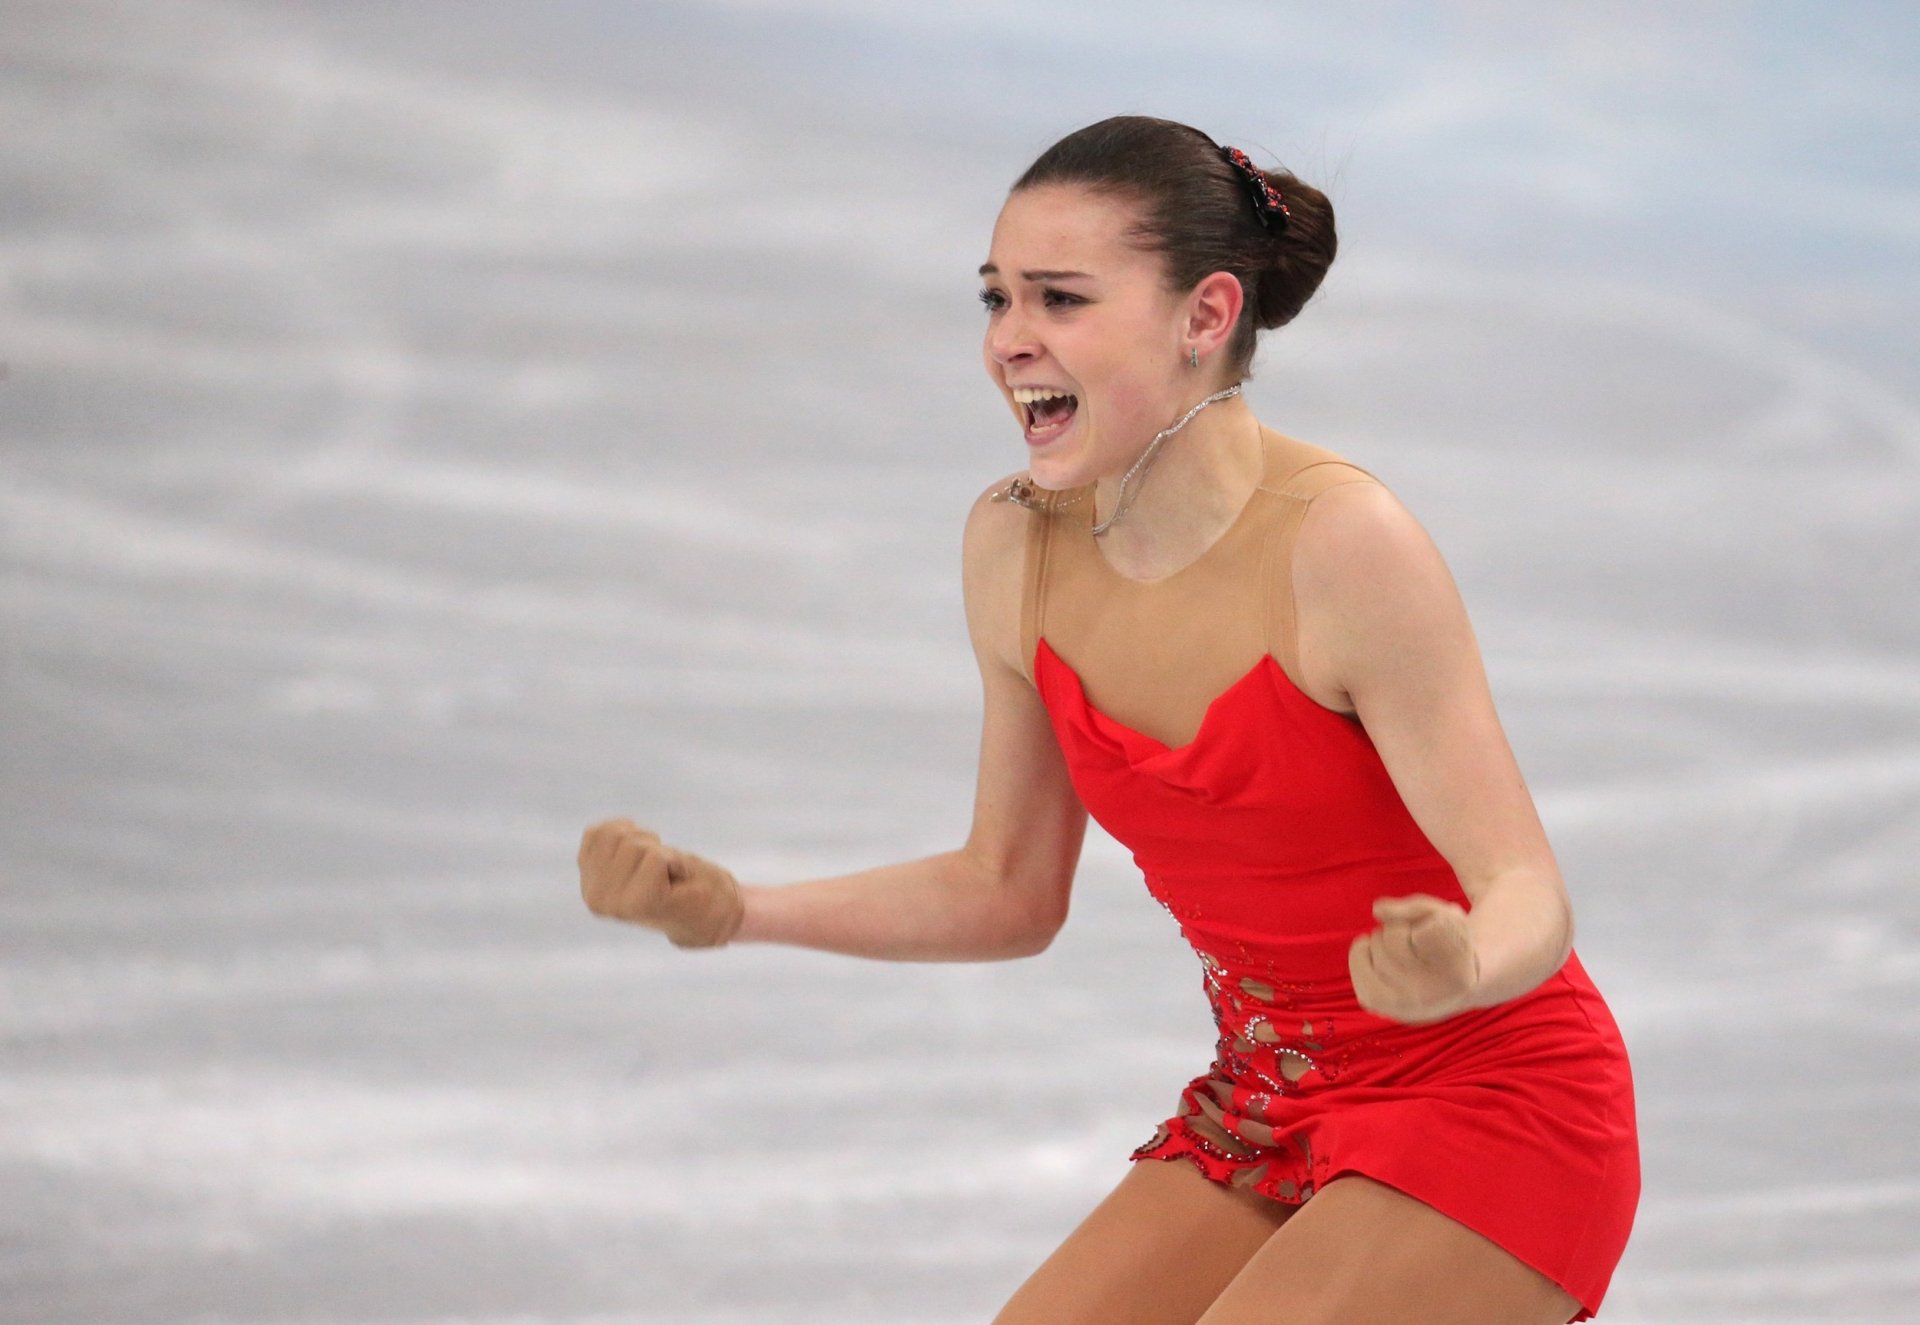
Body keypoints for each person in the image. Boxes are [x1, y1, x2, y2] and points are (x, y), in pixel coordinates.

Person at [577, 114, 1640, 1324]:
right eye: (996, 298)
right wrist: (737, 909)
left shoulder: (1343, 546)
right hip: (1266, 1104)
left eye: (1061, 299)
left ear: (1204, 316)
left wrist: (1464, 959)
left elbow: (1526, 891)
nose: (1010, 343)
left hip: (1497, 1101)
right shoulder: (1014, 547)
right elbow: (1008, 885)